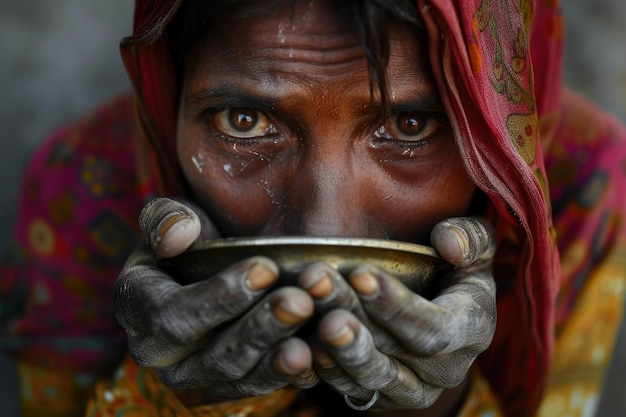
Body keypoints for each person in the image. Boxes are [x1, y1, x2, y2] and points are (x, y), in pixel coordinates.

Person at [1, 0, 625, 416]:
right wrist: (167, 397)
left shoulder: (576, 186)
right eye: (243, 122)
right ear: (171, 93)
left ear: (492, 138)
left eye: (410, 126)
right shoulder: (83, 182)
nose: (324, 228)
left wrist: (439, 401)